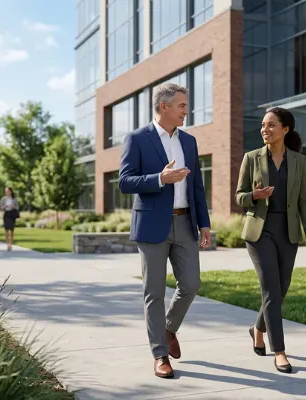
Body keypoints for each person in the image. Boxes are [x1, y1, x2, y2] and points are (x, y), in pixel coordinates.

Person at [118, 82, 211, 379]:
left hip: (185, 222)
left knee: (192, 284)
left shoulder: (190, 141)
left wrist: (204, 223)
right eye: (182, 106)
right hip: (151, 225)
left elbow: (197, 186)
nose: (187, 111)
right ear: (164, 107)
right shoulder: (137, 139)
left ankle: (168, 329)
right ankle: (160, 355)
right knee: (154, 293)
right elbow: (125, 181)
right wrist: (160, 178)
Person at [234, 107, 306, 374]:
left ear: (285, 129)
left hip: (288, 231)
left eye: (271, 125)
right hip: (260, 232)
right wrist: (254, 196)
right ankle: (279, 351)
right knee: (271, 289)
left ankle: (257, 330)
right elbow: (239, 196)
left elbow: (305, 200)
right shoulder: (251, 158)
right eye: (262, 125)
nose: (265, 130)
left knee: (281, 288)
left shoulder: (300, 161)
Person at [0, 187, 20, 251]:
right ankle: (7, 244)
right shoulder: (3, 199)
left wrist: (13, 206)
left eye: (7, 191)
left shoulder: (14, 199)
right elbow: (1, 208)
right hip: (6, 214)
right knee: (6, 230)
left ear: (10, 191)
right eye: (5, 191)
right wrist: (5, 206)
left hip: (12, 214)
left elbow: (17, 208)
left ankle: (11, 244)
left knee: (11, 230)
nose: (6, 192)